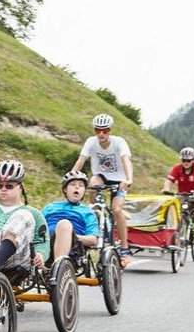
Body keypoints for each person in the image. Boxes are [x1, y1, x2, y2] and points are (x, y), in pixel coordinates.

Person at [72, 113, 134, 266]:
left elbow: (126, 160)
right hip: (102, 176)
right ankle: (96, 214)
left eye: (105, 130)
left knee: (117, 210)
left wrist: (128, 179)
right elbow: (81, 160)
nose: (101, 133)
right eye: (97, 130)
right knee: (92, 181)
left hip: (120, 179)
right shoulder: (91, 142)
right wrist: (72, 177)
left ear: (109, 130)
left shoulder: (119, 142)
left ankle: (125, 249)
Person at [42, 170, 99, 261]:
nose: (77, 187)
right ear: (65, 189)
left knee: (64, 225)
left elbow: (93, 240)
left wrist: (70, 235)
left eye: (81, 186)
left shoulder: (88, 212)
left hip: (73, 246)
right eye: (73, 184)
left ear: (84, 191)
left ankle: (58, 268)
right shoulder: (49, 207)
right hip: (46, 242)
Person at [162, 146, 194, 239]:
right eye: (183, 160)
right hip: (183, 194)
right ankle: (173, 231)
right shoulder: (177, 168)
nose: (186, 163)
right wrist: (166, 188)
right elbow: (169, 180)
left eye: (188, 161)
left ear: (193, 160)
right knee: (172, 208)